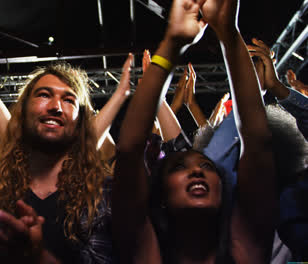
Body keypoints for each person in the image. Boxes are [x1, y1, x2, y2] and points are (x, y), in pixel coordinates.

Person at [113, 0, 277, 263]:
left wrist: (228, 33)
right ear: (161, 194)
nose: (198, 170)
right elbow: (129, 151)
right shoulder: (146, 253)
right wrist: (172, 43)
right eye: (179, 168)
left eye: (208, 166)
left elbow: (257, 142)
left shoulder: (245, 249)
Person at [0, 63, 114, 263]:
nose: (56, 107)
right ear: (22, 113)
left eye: (69, 100)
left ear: (80, 124)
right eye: (44, 95)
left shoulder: (102, 190)